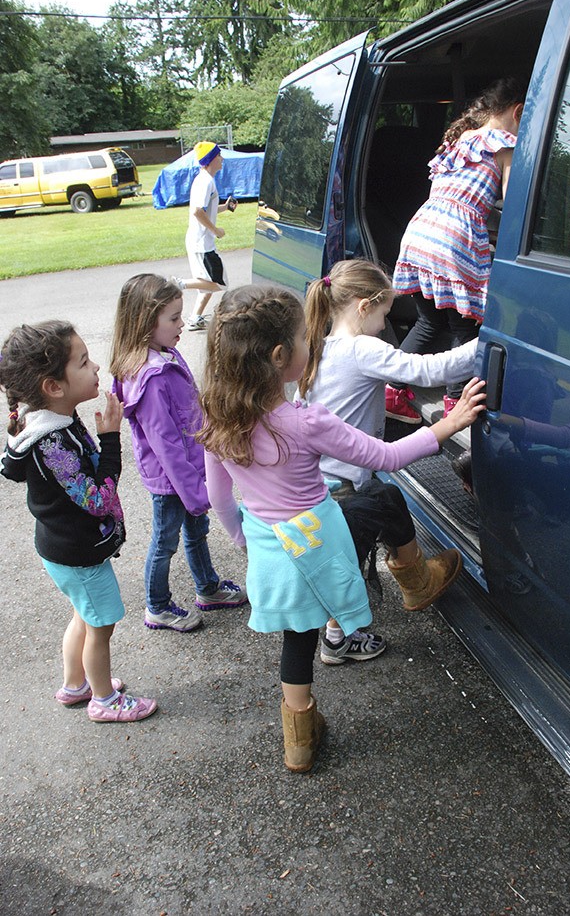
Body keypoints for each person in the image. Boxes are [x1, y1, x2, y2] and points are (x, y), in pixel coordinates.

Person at [197, 284, 485, 773]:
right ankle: (415, 582)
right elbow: (387, 456)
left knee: (298, 638)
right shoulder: (305, 422)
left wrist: (247, 542)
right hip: (318, 542)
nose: (314, 346)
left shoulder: (218, 417)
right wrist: (447, 425)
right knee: (380, 493)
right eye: (306, 340)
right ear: (281, 356)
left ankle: (300, 741)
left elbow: (218, 497)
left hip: (272, 549)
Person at [298, 257, 478, 616]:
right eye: (383, 316)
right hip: (344, 485)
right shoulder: (362, 348)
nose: (383, 327)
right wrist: (488, 341)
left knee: (387, 501)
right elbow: (428, 370)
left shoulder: (320, 345)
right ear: (364, 307)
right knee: (348, 562)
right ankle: (339, 639)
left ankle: (416, 583)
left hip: (320, 480)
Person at [0, 321, 157, 723]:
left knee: (82, 616)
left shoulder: (45, 421)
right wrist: (110, 438)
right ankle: (104, 700)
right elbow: (98, 500)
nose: (97, 367)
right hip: (78, 554)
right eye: (84, 362)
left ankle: (76, 685)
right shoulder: (51, 443)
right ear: (53, 386)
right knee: (101, 624)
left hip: (61, 549)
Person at [110, 273, 247, 633]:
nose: (181, 323)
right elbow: (165, 444)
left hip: (190, 470)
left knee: (196, 531)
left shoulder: (165, 355)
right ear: (144, 321)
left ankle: (208, 587)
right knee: (164, 542)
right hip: (172, 482)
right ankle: (157, 606)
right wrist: (194, 492)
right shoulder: (151, 376)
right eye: (173, 318)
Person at [388, 77, 525, 420]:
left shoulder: (460, 139)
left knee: (430, 322)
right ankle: (454, 405)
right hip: (454, 239)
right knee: (465, 329)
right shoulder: (504, 144)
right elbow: (512, 204)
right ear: (518, 112)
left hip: (421, 232)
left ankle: (392, 391)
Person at [173, 141, 237, 331]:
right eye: (219, 155)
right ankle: (178, 284)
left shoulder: (206, 179)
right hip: (202, 243)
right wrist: (215, 230)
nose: (222, 159)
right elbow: (197, 211)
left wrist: (225, 207)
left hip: (201, 241)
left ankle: (195, 317)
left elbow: (206, 209)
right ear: (211, 159)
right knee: (219, 283)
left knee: (207, 282)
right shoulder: (205, 181)